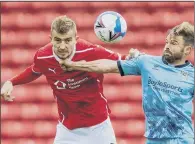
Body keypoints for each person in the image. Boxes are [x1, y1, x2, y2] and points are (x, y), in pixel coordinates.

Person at [1, 15, 140, 144]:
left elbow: (122, 60)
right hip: (67, 130)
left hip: (99, 127)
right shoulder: (43, 57)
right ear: (51, 39)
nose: (62, 46)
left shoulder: (90, 51)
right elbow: (33, 71)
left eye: (67, 40)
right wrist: (11, 82)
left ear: (75, 38)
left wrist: (133, 56)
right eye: (57, 40)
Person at [61, 22, 194, 144]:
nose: (168, 46)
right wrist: (75, 65)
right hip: (154, 139)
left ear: (187, 50)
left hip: (182, 139)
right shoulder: (147, 63)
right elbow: (107, 66)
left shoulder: (192, 76)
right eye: (167, 42)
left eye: (174, 43)